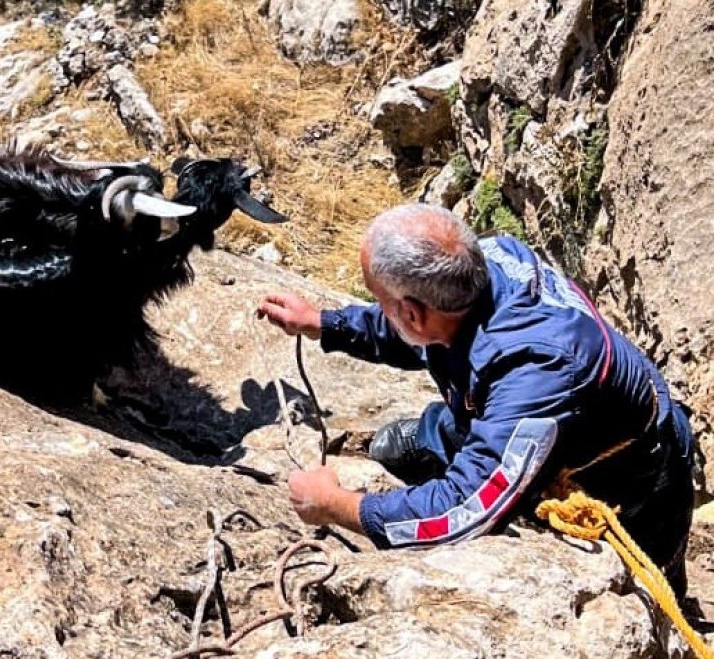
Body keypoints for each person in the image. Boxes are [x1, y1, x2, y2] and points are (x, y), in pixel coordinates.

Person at [257, 203, 696, 596]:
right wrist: (324, 322)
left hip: (630, 471)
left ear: (411, 311)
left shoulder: (534, 372)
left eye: (379, 300)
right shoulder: (482, 263)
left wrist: (338, 505)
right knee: (461, 423)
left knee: (652, 582)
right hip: (521, 411)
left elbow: (464, 510)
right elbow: (415, 330)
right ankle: (445, 438)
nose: (380, 308)